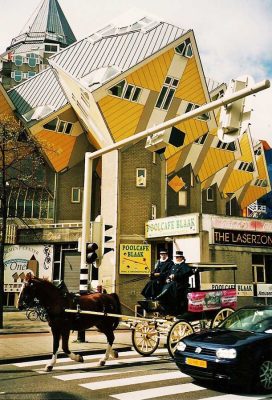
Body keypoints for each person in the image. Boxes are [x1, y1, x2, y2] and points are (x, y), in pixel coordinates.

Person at [156, 250, 193, 315]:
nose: (177, 258)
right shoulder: (173, 266)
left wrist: (175, 276)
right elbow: (168, 274)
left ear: (182, 258)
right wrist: (167, 279)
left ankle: (175, 311)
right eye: (176, 257)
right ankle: (162, 302)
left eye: (178, 257)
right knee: (164, 288)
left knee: (171, 291)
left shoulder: (184, 266)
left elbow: (186, 274)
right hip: (172, 284)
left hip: (180, 285)